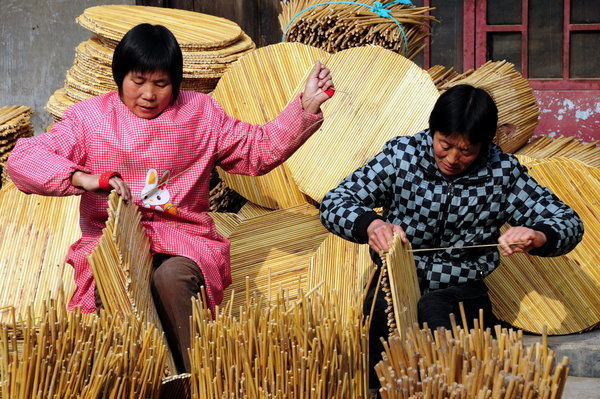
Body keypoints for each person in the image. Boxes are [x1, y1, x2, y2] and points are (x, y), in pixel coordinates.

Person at [8, 23, 333, 373]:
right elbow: (23, 159)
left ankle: (193, 379)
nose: (148, 94)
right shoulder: (89, 119)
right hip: (111, 246)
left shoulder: (200, 114)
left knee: (172, 280)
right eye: (138, 81)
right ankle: (126, 381)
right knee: (110, 286)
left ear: (176, 83)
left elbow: (258, 150)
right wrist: (84, 178)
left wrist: (305, 106)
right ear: (120, 78)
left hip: (183, 241)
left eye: (161, 84)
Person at [318, 84, 584, 390]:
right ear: (433, 131)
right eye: (444, 144)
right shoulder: (402, 157)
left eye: (467, 150)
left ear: (484, 144)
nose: (453, 158)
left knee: (433, 313)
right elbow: (335, 202)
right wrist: (372, 225)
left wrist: (538, 235)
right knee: (379, 375)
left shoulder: (502, 173)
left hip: (461, 294)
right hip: (393, 285)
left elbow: (568, 222)